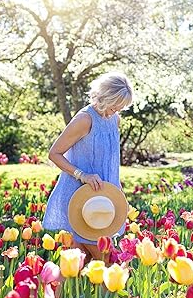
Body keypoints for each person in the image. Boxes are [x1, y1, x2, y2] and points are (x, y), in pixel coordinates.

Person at [43, 71, 134, 261]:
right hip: (82, 199)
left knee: (76, 262)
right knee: (107, 262)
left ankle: (47, 290)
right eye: (114, 106)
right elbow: (54, 154)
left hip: (103, 199)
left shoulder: (114, 119)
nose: (116, 111)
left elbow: (109, 160)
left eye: (120, 108)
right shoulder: (85, 119)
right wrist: (82, 175)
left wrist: (115, 188)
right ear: (104, 97)